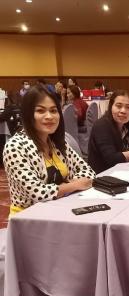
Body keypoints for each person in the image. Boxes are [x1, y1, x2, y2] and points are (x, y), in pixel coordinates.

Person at [3, 85, 95, 215]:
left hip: (60, 209)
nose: (49, 116)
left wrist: (63, 187)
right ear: (28, 114)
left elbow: (89, 172)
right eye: (40, 111)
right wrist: (73, 185)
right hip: (29, 217)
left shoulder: (56, 142)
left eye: (53, 110)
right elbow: (38, 193)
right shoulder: (15, 147)